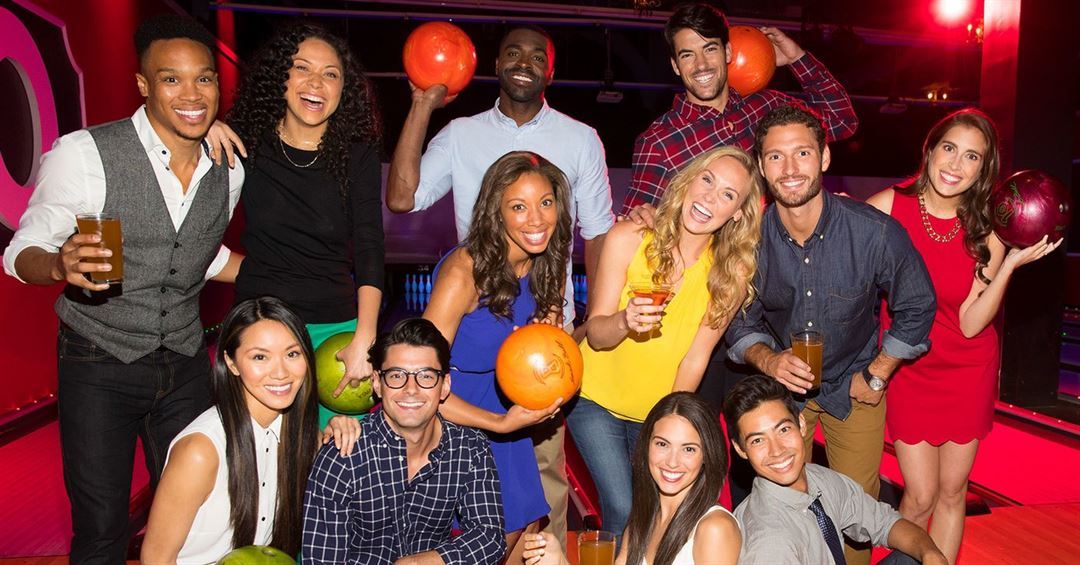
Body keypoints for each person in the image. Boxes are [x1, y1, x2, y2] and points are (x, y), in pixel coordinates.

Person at [1, 15, 243, 563]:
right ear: (143, 85)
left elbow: (196, 250)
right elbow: (21, 250)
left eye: (204, 79)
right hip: (97, 359)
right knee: (103, 527)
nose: (191, 94)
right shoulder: (84, 154)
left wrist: (290, 276)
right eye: (171, 79)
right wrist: (58, 263)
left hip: (184, 360)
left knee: (200, 516)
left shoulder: (229, 169)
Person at [386, 25, 615, 544]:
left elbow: (600, 230)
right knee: (477, 532)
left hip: (537, 342)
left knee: (540, 502)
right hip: (470, 353)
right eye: (513, 51)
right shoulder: (461, 135)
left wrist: (594, 318)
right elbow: (401, 199)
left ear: (551, 70)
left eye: (546, 204)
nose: (535, 218)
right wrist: (422, 105)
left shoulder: (580, 139)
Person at [724, 104, 936, 565]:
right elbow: (738, 319)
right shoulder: (749, 239)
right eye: (775, 156)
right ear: (761, 166)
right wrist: (769, 360)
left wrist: (878, 373)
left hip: (853, 386)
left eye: (802, 153)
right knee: (781, 507)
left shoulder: (873, 232)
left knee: (857, 510)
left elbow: (918, 304)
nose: (790, 168)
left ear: (824, 157)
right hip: (784, 393)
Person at [865, 109, 1061, 563]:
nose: (955, 164)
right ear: (930, 150)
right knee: (919, 496)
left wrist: (1008, 264)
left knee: (953, 493)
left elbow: (972, 323)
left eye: (972, 157)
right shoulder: (889, 206)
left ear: (983, 169)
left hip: (967, 367)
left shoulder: (987, 227)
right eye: (949, 148)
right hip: (909, 367)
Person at [567, 146, 762, 542]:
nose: (709, 197)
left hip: (653, 413)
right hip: (593, 400)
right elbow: (597, 335)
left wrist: (670, 424)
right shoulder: (628, 237)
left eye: (727, 194)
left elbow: (695, 360)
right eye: (707, 180)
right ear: (689, 180)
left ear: (737, 214)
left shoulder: (731, 274)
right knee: (622, 505)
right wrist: (624, 320)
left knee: (652, 511)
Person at [225, 23, 384, 429]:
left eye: (330, 74)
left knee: (337, 454)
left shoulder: (357, 156)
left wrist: (366, 337)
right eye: (302, 68)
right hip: (262, 327)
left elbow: (370, 245)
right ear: (280, 77)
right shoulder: (245, 143)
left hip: (334, 330)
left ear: (343, 89)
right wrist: (202, 130)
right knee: (261, 456)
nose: (316, 83)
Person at [423, 151, 570, 560]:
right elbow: (420, 380)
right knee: (489, 546)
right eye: (518, 207)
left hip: (507, 418)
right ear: (496, 212)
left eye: (545, 202)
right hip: (455, 417)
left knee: (526, 533)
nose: (536, 219)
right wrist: (500, 423)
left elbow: (544, 338)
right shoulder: (464, 273)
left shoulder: (547, 264)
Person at [141, 297, 361, 564]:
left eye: (292, 354)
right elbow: (156, 558)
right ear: (231, 363)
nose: (280, 372)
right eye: (260, 357)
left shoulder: (301, 436)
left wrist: (339, 429)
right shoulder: (200, 451)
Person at [621, 1, 857, 220]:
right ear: (675, 65)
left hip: (783, 249)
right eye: (687, 55)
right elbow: (635, 223)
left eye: (710, 49)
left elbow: (841, 121)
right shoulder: (659, 142)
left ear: (727, 52)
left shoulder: (766, 106)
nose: (701, 64)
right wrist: (639, 217)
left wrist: (797, 58)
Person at [302, 318, 506, 564]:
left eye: (426, 376)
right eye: (397, 375)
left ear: (445, 386)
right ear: (377, 384)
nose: (411, 389)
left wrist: (422, 562)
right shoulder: (342, 456)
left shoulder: (470, 447)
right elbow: (323, 560)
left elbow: (490, 537)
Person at [723, 375, 947, 565]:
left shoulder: (819, 479)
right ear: (740, 449)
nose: (777, 450)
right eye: (758, 441)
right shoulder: (769, 544)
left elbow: (886, 523)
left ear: (801, 424)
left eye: (783, 429)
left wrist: (931, 554)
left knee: (913, 556)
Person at [522, 392, 741, 565]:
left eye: (689, 449)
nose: (672, 462)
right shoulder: (642, 519)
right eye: (662, 444)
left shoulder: (714, 528)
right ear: (646, 445)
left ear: (707, 455)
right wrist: (559, 561)